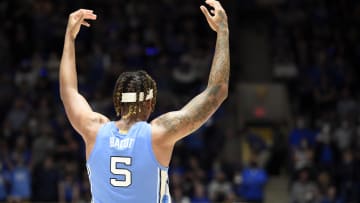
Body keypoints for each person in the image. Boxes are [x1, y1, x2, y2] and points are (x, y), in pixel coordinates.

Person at [59, 0, 230, 202]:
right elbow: (218, 91)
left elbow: (68, 90)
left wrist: (69, 37)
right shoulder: (159, 133)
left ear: (118, 101)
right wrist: (223, 32)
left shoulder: (93, 129)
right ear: (150, 104)